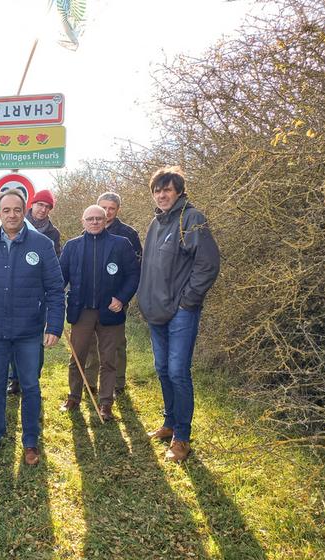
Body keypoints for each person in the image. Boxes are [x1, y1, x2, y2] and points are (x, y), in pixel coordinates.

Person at [0, 190, 64, 466]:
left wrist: (54, 325)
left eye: (17, 210)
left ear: (25, 211)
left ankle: (30, 441)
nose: (11, 215)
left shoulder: (42, 244)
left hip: (29, 331)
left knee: (30, 385)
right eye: (6, 210)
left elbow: (55, 289)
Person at [138, 166, 220, 462]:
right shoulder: (156, 223)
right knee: (162, 369)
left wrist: (188, 301)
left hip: (181, 312)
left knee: (177, 371)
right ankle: (170, 422)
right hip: (156, 310)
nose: (161, 195)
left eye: (167, 190)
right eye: (157, 190)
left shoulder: (191, 219)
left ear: (179, 192)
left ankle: (182, 438)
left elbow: (208, 264)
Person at [59, 205, 140, 420]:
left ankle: (106, 403)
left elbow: (133, 275)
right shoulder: (72, 246)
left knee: (109, 359)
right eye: (90, 219)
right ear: (82, 221)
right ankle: (74, 397)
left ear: (105, 221)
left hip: (110, 312)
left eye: (98, 218)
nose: (94, 222)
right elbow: (60, 277)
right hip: (81, 311)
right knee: (77, 356)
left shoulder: (121, 244)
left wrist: (122, 298)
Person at [81, 191, 143, 397]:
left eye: (111, 209)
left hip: (116, 299)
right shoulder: (87, 231)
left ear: (117, 210)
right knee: (90, 343)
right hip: (90, 301)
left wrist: (123, 298)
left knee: (115, 344)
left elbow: (135, 270)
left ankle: (117, 383)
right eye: (103, 208)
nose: (106, 213)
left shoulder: (128, 234)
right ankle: (89, 382)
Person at [8, 188, 62, 395]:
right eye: (40, 204)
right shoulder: (18, 222)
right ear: (31, 205)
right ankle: (14, 379)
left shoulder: (52, 233)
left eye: (47, 207)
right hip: (14, 289)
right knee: (12, 337)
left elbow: (54, 261)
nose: (42, 209)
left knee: (35, 339)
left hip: (38, 293)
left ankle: (32, 377)